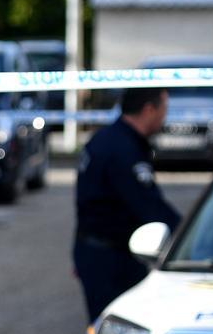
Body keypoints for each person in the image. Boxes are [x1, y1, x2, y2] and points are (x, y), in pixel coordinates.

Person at [73, 86, 182, 322]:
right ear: (149, 109)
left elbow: (85, 203)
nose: (165, 116)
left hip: (96, 251)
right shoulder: (123, 150)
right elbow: (149, 207)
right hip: (111, 260)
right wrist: (187, 236)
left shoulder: (106, 139)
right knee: (117, 327)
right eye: (164, 109)